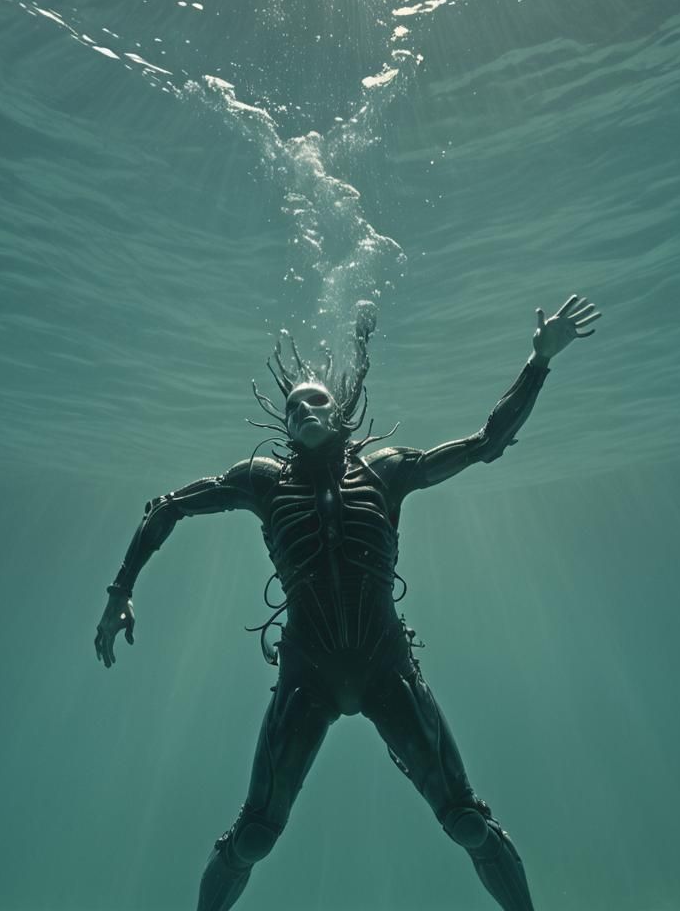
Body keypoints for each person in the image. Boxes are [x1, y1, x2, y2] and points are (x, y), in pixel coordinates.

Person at [95, 294, 601, 911]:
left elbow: (485, 444)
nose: (304, 407)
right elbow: (168, 506)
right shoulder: (260, 482)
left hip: (389, 670)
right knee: (253, 835)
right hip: (306, 677)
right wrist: (120, 592)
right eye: (293, 406)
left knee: (467, 820)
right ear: (283, 425)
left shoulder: (387, 471)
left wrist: (538, 361)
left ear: (341, 411)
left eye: (316, 400)